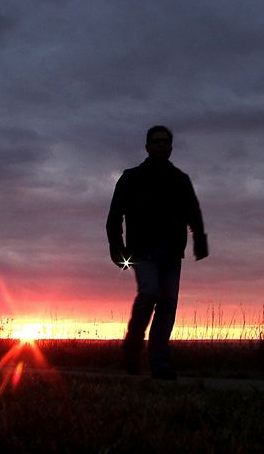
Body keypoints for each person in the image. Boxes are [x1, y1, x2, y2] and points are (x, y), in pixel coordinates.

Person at [106, 125, 208, 380]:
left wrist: (200, 240)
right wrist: (116, 248)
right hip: (142, 250)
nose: (162, 145)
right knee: (149, 293)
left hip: (172, 251)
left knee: (167, 305)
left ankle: (160, 363)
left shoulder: (180, 180)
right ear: (148, 146)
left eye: (166, 142)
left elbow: (193, 212)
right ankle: (133, 343)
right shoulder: (131, 178)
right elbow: (115, 215)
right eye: (157, 141)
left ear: (171, 147)